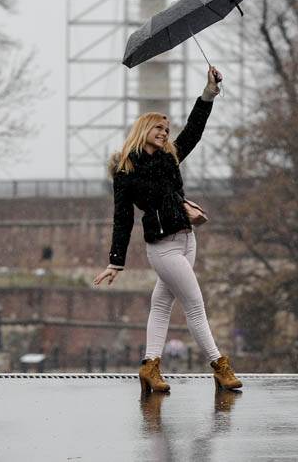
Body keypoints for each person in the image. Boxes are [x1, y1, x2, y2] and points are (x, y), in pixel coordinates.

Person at [94, 66, 242, 394]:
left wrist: (209, 93)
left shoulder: (169, 158)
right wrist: (115, 262)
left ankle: (150, 366)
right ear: (143, 129)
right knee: (195, 305)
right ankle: (219, 366)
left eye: (166, 129)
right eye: (158, 128)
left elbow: (194, 130)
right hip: (162, 247)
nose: (164, 133)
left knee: (161, 304)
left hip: (187, 238)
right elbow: (122, 218)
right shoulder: (126, 171)